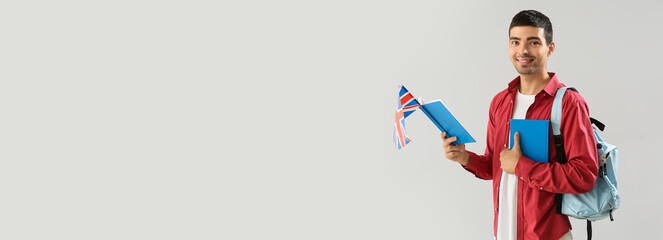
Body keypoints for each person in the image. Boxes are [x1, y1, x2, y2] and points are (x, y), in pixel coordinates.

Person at [440, 10, 598, 240]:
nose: (523, 50)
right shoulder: (500, 101)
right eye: (516, 42)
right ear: (509, 46)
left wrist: (522, 166)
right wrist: (465, 158)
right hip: (504, 231)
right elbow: (497, 166)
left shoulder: (568, 103)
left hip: (547, 234)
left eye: (534, 42)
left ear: (550, 48)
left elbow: (584, 175)